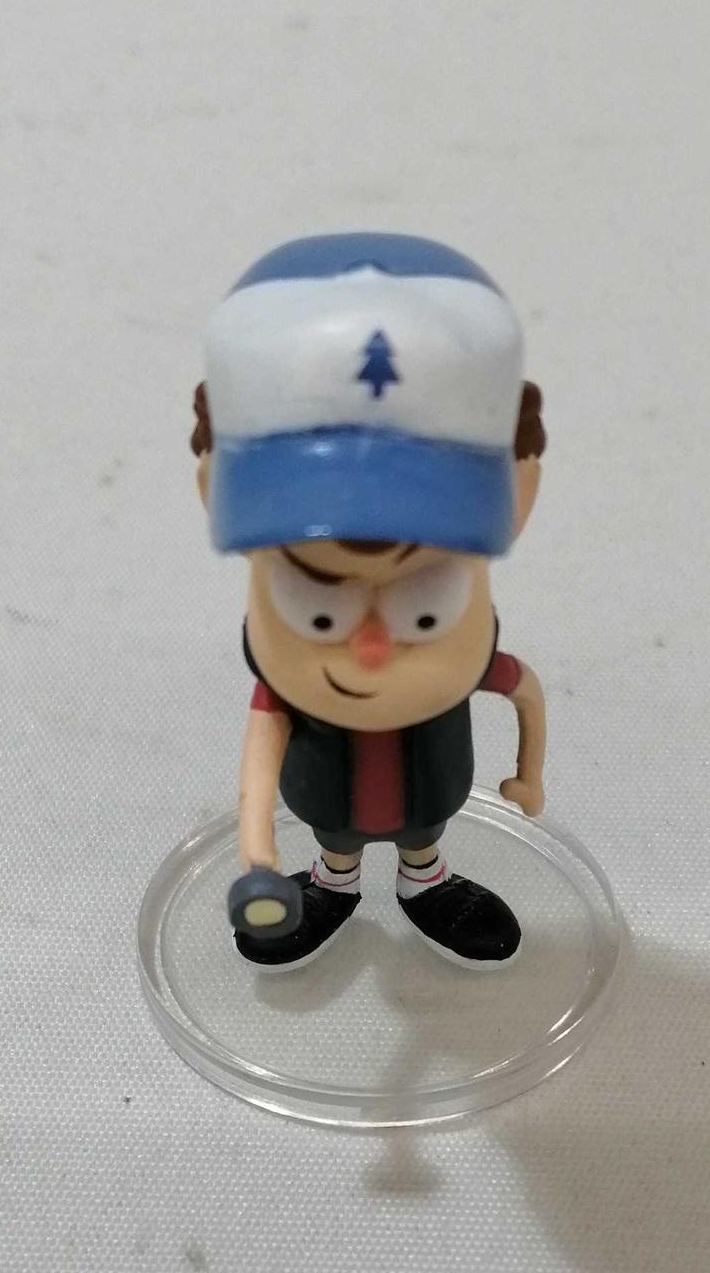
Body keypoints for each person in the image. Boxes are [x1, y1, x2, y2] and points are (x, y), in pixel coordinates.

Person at [190, 234, 546, 970]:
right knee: (338, 842)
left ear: (520, 491)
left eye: (425, 600)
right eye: (317, 605)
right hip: (331, 806)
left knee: (423, 837)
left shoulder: (472, 663)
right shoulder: (285, 694)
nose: (372, 648)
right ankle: (335, 882)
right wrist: (258, 852)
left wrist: (530, 774)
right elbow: (260, 763)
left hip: (428, 797)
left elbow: (525, 692)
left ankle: (425, 882)